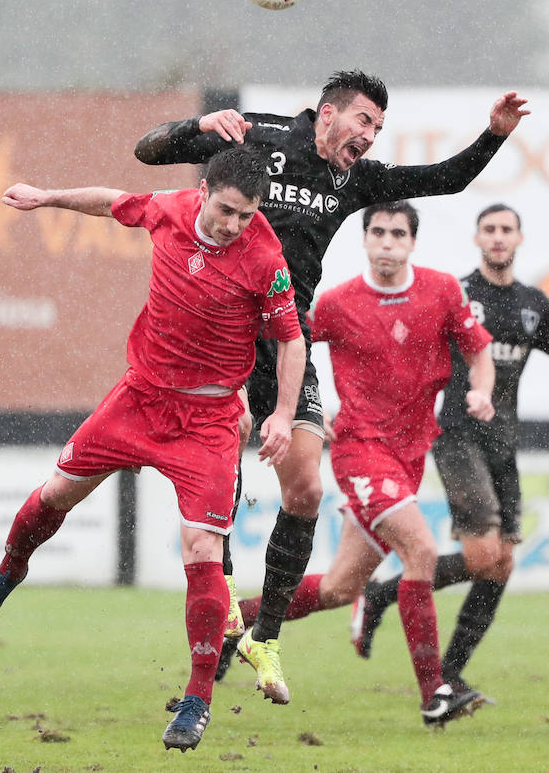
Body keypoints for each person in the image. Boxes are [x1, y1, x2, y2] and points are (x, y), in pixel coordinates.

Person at [134, 71, 529, 704]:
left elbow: (445, 179)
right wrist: (198, 128)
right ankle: (224, 605)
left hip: (285, 341)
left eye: (377, 128)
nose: (370, 137)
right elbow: (148, 150)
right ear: (326, 114)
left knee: (306, 487)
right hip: (221, 335)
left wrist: (494, 135)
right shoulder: (257, 138)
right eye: (363, 122)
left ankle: (262, 632)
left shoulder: (353, 180)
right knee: (218, 483)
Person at [0, 148, 306, 753]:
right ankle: (6, 574)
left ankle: (197, 697)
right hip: (140, 399)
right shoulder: (167, 210)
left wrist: (279, 412)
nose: (233, 225)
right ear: (202, 192)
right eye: (225, 210)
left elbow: (291, 342)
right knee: (57, 493)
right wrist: (45, 196)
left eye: (245, 216)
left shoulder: (265, 260)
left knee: (202, 548)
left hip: (209, 420)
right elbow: (108, 199)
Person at [223, 200, 496, 726]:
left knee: (339, 589)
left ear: (412, 242)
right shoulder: (338, 302)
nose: (388, 241)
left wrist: (482, 392)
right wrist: (298, 405)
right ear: (366, 239)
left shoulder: (441, 291)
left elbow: (477, 351)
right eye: (378, 232)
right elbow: (288, 342)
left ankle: (232, 624)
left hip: (410, 455)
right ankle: (434, 692)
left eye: (398, 233)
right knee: (422, 549)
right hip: (361, 450)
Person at [351, 203, 549, 700]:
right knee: (484, 554)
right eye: (490, 229)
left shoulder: (533, 303)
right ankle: (382, 593)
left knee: (500, 564)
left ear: (520, 239)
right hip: (458, 438)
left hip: (504, 444)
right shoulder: (458, 295)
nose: (498, 237)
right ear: (477, 238)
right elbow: (411, 348)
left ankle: (449, 673)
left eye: (507, 229)